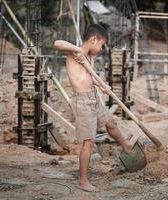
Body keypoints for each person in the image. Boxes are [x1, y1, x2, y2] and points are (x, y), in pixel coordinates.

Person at [53, 24, 132, 192]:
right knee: (88, 142)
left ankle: (126, 147)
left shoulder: (90, 56)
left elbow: (89, 75)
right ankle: (82, 181)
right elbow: (57, 43)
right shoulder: (75, 53)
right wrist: (77, 49)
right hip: (82, 102)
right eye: (102, 44)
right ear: (93, 40)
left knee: (110, 123)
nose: (102, 48)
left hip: (94, 97)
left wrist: (102, 85)